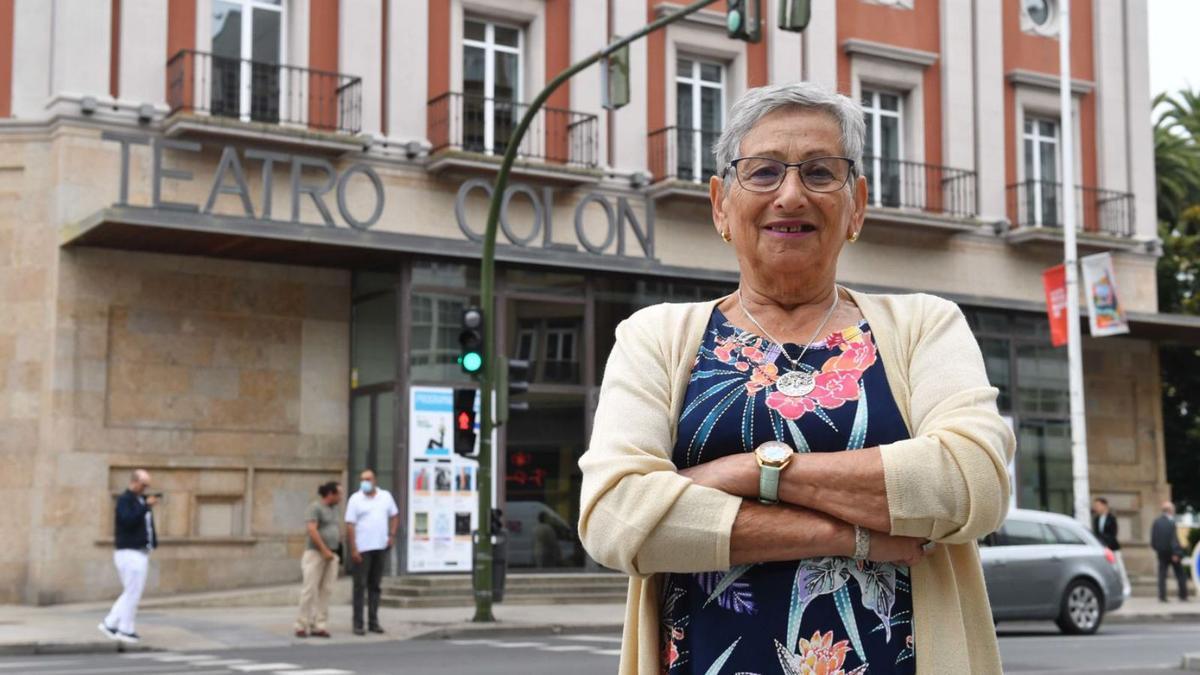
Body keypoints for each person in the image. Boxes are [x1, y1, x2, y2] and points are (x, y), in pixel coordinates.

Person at [578, 83, 1015, 674]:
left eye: (818, 172)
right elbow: (616, 519)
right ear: (720, 205)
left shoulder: (925, 325)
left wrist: (750, 471)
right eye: (762, 173)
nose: (791, 195)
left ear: (856, 205)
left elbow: (975, 483)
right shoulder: (654, 336)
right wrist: (852, 539)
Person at [98, 469, 158, 644]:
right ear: (135, 482)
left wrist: (152, 542)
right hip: (129, 552)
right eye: (144, 484)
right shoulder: (126, 500)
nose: (145, 488)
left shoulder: (140, 501)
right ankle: (119, 626)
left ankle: (118, 625)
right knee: (132, 592)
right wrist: (146, 507)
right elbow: (128, 520)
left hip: (140, 551)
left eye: (147, 485)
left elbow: (146, 527)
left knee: (131, 592)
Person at [344, 469, 398, 635]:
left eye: (367, 479)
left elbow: (395, 515)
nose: (364, 482)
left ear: (374, 480)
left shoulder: (385, 496)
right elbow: (350, 525)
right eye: (362, 479)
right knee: (359, 586)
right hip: (362, 548)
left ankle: (373, 621)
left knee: (375, 586)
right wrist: (353, 548)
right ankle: (358, 623)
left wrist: (392, 534)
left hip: (380, 546)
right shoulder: (355, 499)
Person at [296, 481, 342, 638]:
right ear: (330, 494)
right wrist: (324, 550)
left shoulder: (335, 509)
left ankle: (319, 624)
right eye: (339, 493)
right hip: (316, 553)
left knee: (326, 590)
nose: (341, 497)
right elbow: (312, 530)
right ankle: (302, 624)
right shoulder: (315, 508)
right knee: (309, 589)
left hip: (332, 554)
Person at [1150, 501, 1190, 603]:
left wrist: (1158, 549)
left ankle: (1162, 596)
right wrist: (1176, 553)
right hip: (1173, 553)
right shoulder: (1171, 523)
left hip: (1161, 553)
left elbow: (1153, 539)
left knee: (1162, 575)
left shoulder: (1157, 522)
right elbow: (1174, 539)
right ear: (1170, 510)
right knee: (1180, 574)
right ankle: (1183, 595)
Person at [1091, 496, 1130, 597]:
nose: (1096, 508)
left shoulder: (1111, 518)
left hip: (1113, 548)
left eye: (1098, 505)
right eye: (1095, 506)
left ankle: (1126, 588)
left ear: (1104, 506)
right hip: (1102, 549)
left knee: (1119, 568)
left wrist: (1107, 545)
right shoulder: (1096, 519)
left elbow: (1113, 534)